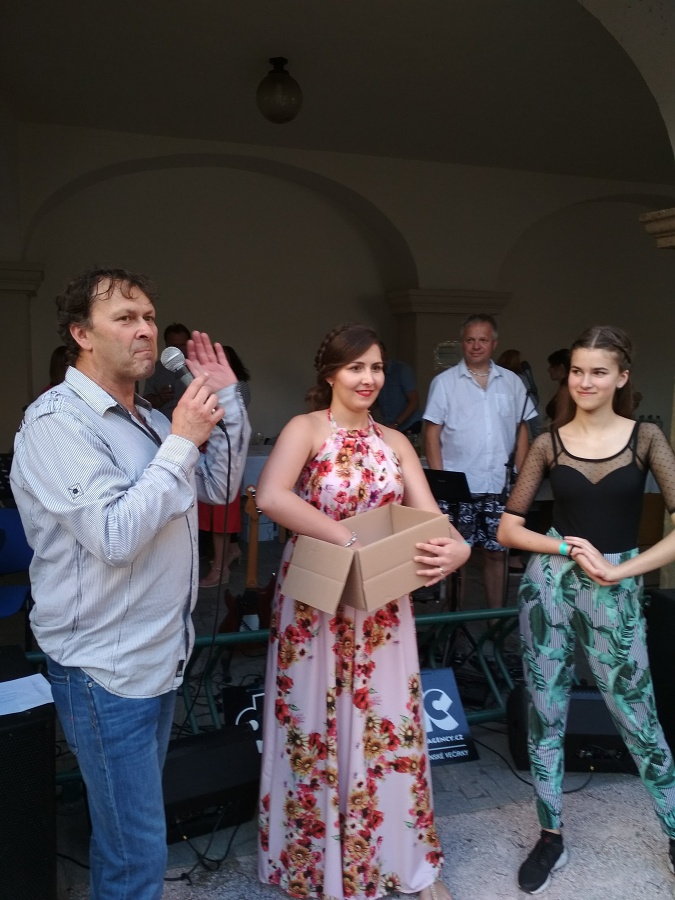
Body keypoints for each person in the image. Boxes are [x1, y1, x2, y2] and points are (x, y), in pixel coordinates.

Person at [10, 267, 251, 900]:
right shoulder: (57, 424)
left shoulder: (147, 417)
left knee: (131, 836)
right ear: (81, 334)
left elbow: (218, 486)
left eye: (148, 316)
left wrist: (226, 403)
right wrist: (181, 442)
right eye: (124, 318)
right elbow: (114, 535)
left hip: (159, 653)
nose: (145, 329)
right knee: (135, 848)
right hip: (105, 668)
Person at [256, 323, 470, 900]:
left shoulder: (396, 441)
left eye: (376, 368)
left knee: (387, 722)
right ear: (330, 373)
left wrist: (459, 549)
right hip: (317, 600)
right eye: (356, 367)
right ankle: (318, 864)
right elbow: (271, 496)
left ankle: (405, 861)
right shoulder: (305, 429)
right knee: (313, 722)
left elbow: (431, 519)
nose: (368, 378)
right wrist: (345, 539)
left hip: (381, 605)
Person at [496, 325, 675, 895]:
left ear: (622, 377)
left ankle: (674, 831)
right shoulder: (548, 443)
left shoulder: (646, 438)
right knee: (544, 712)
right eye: (577, 371)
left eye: (599, 371)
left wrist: (621, 570)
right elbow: (507, 529)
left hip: (614, 587)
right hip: (549, 585)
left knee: (638, 715)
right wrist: (565, 549)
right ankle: (551, 835)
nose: (585, 381)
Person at [424, 314, 537, 609]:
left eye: (483, 340)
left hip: (499, 484)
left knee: (497, 553)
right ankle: (454, 626)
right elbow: (431, 433)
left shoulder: (512, 382)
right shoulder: (444, 383)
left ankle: (494, 621)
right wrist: (440, 481)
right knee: (455, 556)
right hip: (458, 487)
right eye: (470, 340)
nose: (476, 346)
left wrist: (522, 479)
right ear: (462, 343)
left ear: (494, 343)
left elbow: (521, 431)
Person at [199, 344, 251, 587]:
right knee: (211, 513)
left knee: (221, 515)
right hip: (208, 448)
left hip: (226, 453)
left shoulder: (239, 388)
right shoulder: (205, 386)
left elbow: (233, 417)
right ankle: (231, 551)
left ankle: (221, 570)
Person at [143, 321, 191, 418]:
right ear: (167, 345)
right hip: (164, 423)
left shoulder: (199, 366)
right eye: (174, 346)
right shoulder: (156, 368)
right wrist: (160, 398)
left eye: (182, 345)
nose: (179, 349)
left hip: (194, 422)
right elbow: (145, 402)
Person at [376, 353, 423, 434]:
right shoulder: (376, 374)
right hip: (389, 425)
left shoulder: (402, 369)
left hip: (408, 425)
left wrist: (396, 423)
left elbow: (414, 401)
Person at [544, 347, 571, 425]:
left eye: (551, 366)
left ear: (561, 368)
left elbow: (561, 420)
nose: (548, 369)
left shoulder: (566, 389)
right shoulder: (565, 387)